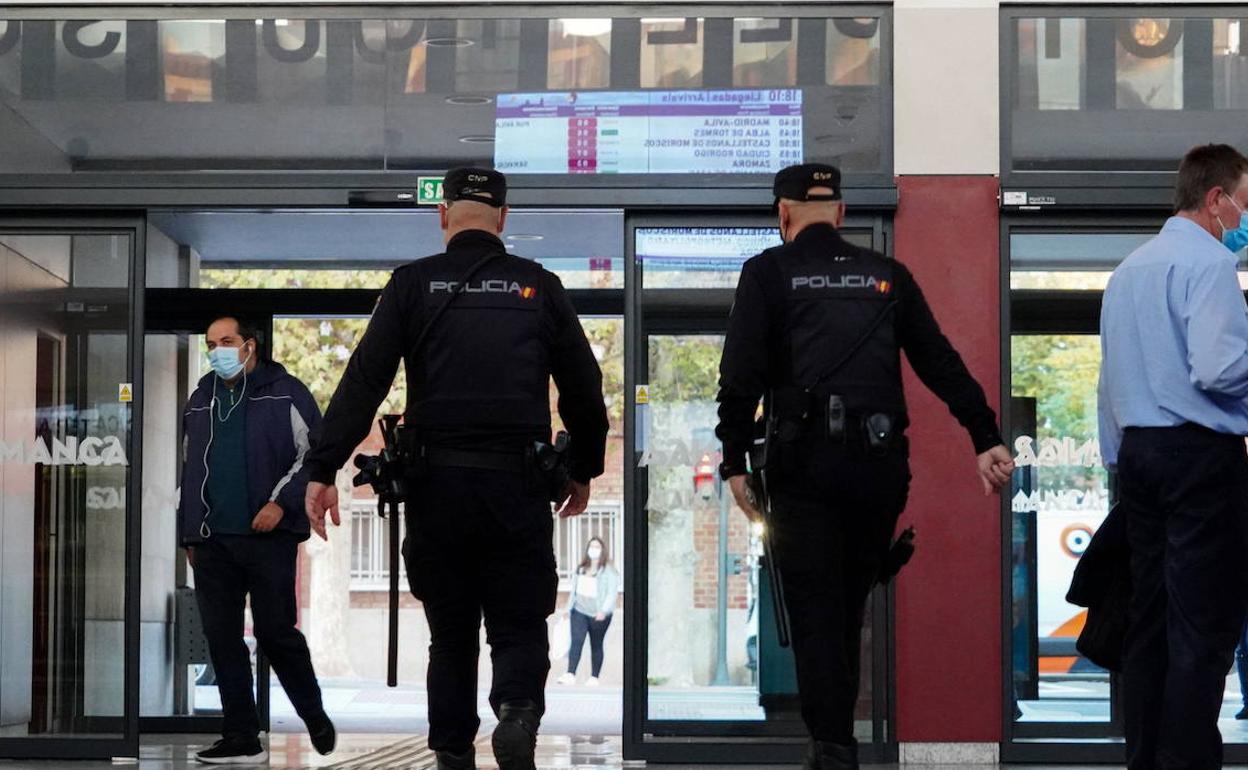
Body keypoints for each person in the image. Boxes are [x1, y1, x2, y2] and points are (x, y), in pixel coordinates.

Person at [301, 167, 609, 770]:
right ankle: (517, 711)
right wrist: (583, 468)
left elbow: (364, 380)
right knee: (519, 622)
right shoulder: (539, 286)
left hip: (437, 489)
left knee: (451, 634)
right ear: (504, 217)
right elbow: (583, 386)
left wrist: (323, 466)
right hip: (517, 488)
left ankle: (451, 749)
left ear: (442, 215)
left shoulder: (412, 285)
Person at [716, 163, 1014, 770]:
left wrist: (733, 461)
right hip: (877, 473)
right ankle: (836, 744)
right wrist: (985, 437)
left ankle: (832, 747)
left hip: (803, 469)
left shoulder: (768, 273)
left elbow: (740, 376)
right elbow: (940, 362)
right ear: (842, 212)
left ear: (783, 214)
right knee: (848, 609)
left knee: (814, 611)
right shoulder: (887, 276)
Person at [1098, 143, 1248, 770]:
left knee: (1149, 625)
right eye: (1244, 203)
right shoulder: (1210, 264)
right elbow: (1219, 369)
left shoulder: (1127, 271)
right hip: (1200, 458)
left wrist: (1120, 459)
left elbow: (1107, 383)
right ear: (1216, 199)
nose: (1244, 219)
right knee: (1202, 626)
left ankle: (1146, 760)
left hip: (1138, 456)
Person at [176, 316, 336, 765]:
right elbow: (188, 469)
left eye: (226, 341)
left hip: (269, 538)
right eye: (211, 344)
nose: (217, 351)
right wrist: (188, 533)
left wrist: (280, 503)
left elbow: (315, 456)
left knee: (275, 632)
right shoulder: (201, 398)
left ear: (250, 345)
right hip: (212, 542)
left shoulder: (287, 392)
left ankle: (313, 713)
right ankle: (241, 735)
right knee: (222, 638)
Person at [556, 537, 619, 686]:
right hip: (579, 611)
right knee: (576, 641)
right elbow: (574, 591)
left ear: (602, 550)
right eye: (591, 547)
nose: (594, 550)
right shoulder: (581, 568)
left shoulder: (609, 571)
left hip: (599, 615)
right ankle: (570, 673)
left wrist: (603, 611)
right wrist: (568, 609)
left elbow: (611, 593)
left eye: (597, 547)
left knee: (596, 644)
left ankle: (594, 677)